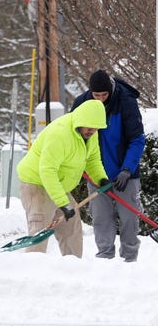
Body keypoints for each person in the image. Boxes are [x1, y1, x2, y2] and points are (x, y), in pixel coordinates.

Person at [16, 99, 109, 258]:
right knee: (40, 228)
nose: (92, 130)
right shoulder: (60, 134)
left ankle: (73, 268)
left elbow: (92, 160)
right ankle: (31, 271)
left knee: (71, 227)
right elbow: (47, 170)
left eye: (96, 127)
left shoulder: (90, 134)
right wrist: (62, 202)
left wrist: (101, 178)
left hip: (57, 184)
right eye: (89, 126)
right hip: (36, 183)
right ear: (80, 120)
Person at [71, 70, 145, 262]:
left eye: (105, 95)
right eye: (97, 95)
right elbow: (73, 137)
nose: (101, 99)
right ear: (91, 92)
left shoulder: (126, 102)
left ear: (111, 89)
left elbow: (137, 140)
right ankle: (104, 258)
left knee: (129, 218)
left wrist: (127, 169)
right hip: (96, 174)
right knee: (101, 218)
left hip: (124, 174)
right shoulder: (81, 104)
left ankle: (130, 259)